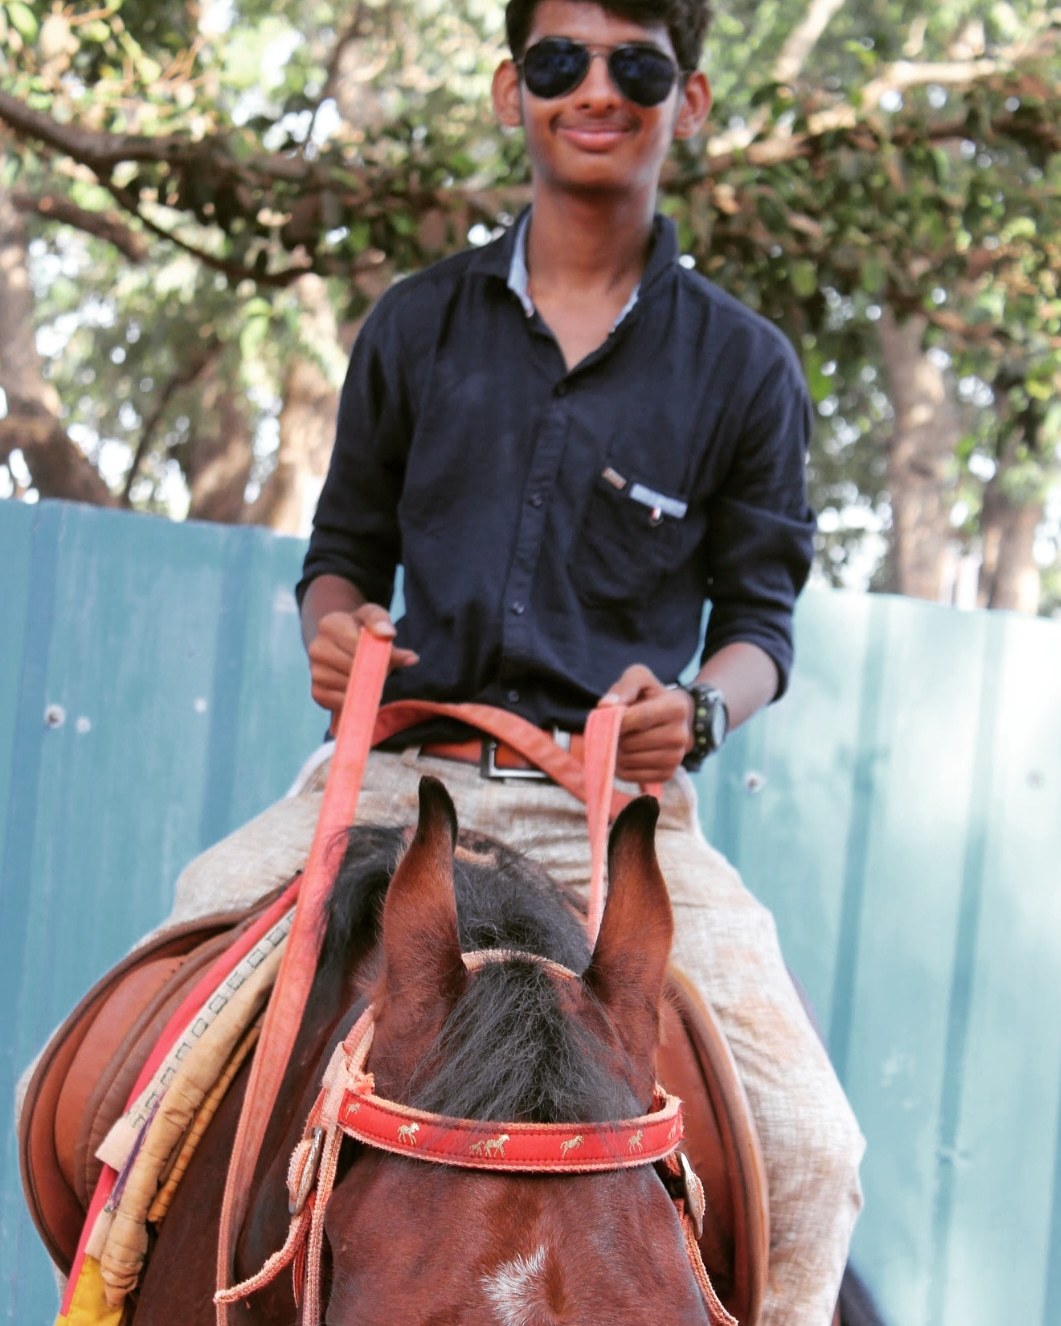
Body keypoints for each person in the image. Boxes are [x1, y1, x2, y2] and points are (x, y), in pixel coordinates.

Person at [174, 1, 864, 1320]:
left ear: (688, 99)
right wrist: (332, 628)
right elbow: (341, 554)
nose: (595, 90)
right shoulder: (413, 325)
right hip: (396, 782)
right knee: (140, 1039)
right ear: (512, 90)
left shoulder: (747, 368)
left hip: (606, 815)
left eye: (635, 66)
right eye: (560, 62)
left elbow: (761, 630)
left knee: (814, 1148)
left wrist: (698, 714)